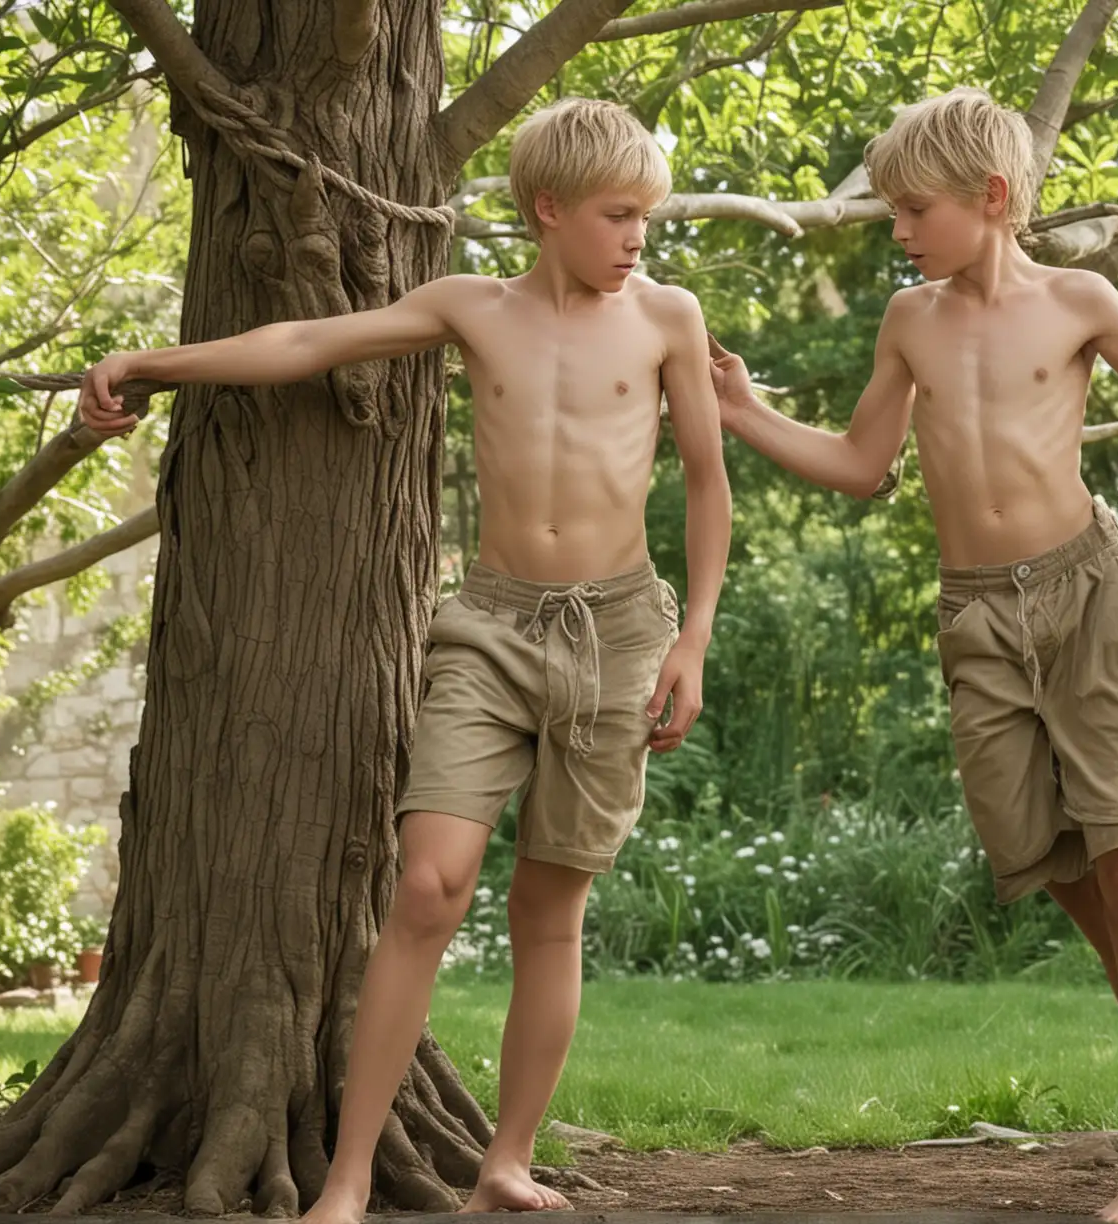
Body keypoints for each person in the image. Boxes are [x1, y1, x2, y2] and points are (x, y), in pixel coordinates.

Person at [77, 97, 732, 1220]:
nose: (637, 239)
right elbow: (307, 341)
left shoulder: (668, 318)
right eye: (619, 216)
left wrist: (694, 637)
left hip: (622, 631)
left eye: (646, 219)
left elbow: (711, 486)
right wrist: (153, 361)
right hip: (490, 628)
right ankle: (343, 1178)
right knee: (427, 886)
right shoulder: (472, 309)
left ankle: (507, 1162)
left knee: (551, 909)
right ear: (548, 210)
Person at [708, 87, 1118, 1224]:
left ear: (990, 198)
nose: (898, 228)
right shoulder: (909, 320)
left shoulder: (1082, 299)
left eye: (912, 208)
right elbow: (860, 462)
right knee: (1049, 859)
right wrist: (741, 411)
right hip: (978, 614)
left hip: (1085, 592)